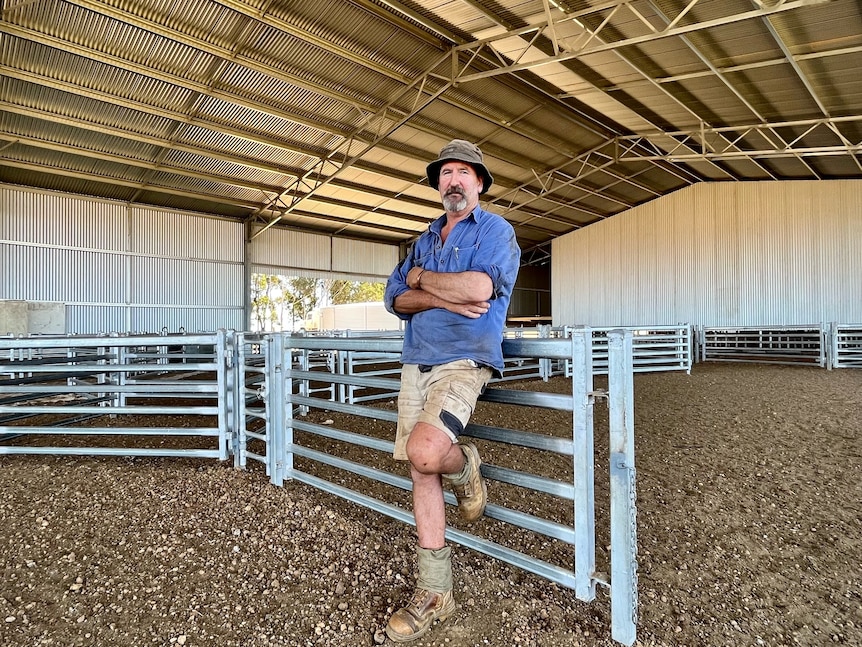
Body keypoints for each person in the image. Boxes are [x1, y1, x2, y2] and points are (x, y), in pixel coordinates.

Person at [382, 139, 521, 642]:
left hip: (463, 358)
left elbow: (480, 291)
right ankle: (436, 591)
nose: (453, 181)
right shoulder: (422, 242)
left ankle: (464, 464)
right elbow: (393, 298)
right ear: (438, 183)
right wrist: (428, 282)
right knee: (420, 469)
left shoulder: (497, 231)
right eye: (446, 173)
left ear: (479, 182)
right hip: (416, 360)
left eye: (463, 172)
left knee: (426, 450)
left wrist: (423, 287)